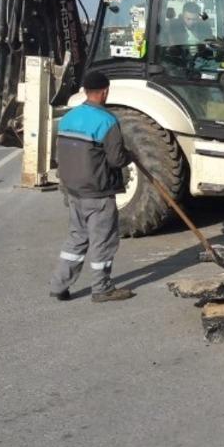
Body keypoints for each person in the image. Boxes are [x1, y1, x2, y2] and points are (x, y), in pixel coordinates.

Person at [49, 71, 135, 302]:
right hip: (98, 191)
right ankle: (102, 288)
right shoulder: (107, 121)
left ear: (86, 91)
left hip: (73, 189)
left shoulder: (69, 118)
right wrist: (130, 155)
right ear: (105, 91)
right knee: (103, 241)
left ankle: (59, 285)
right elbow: (116, 160)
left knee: (76, 238)